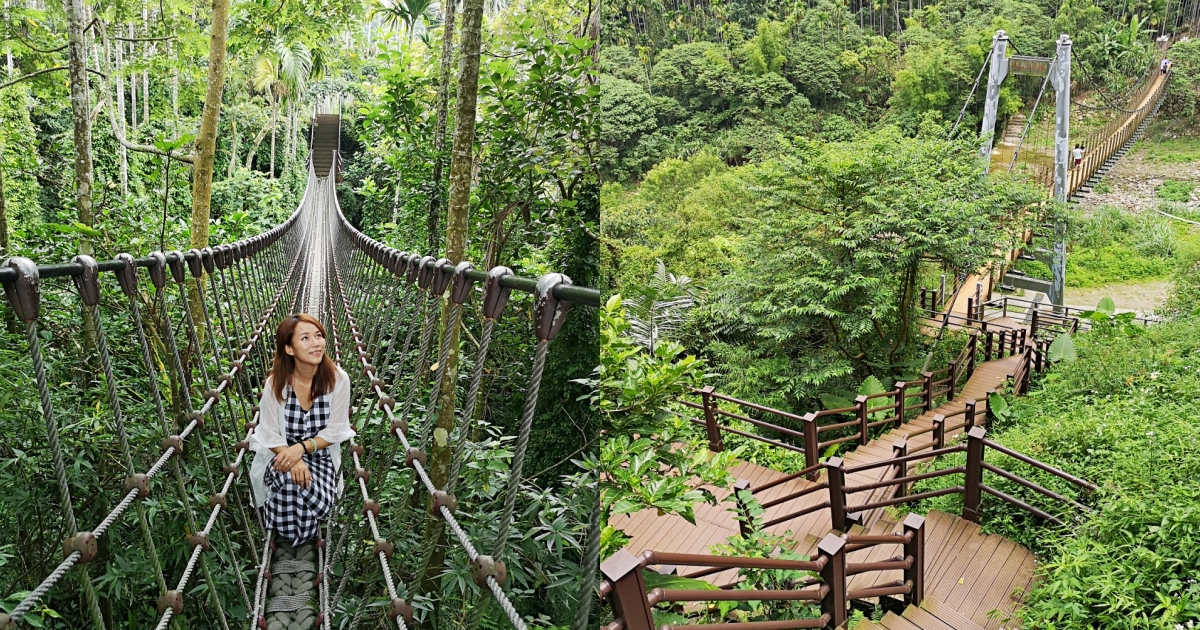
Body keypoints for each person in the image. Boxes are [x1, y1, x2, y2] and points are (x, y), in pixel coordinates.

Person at [249, 313, 354, 545]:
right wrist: (294, 457)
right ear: (289, 349)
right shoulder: (275, 384)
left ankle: (294, 535)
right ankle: (295, 536)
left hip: (320, 457)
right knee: (289, 481)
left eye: (318, 336)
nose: (316, 343)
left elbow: (336, 430)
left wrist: (302, 449)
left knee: (306, 485)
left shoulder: (338, 380)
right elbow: (267, 432)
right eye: (305, 338)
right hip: (281, 455)